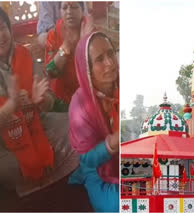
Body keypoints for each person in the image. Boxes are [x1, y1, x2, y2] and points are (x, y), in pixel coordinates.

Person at [0, 3, 78, 197]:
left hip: (34, 123)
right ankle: (33, 174)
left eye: (2, 27)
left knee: (77, 124)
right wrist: (10, 107)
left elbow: (47, 99)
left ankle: (56, 171)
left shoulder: (23, 54)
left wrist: (41, 101)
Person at [68, 32, 119, 212]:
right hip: (100, 172)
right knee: (120, 205)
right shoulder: (80, 105)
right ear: (86, 68)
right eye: (99, 59)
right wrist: (113, 142)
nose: (110, 63)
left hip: (132, 159)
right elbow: (88, 159)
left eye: (111, 54)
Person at [45, 2, 94, 108]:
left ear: (82, 10)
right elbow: (50, 73)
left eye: (74, 7)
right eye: (64, 7)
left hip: (88, 99)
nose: (69, 11)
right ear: (60, 11)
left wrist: (83, 44)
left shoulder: (92, 34)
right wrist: (66, 46)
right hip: (61, 101)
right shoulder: (53, 35)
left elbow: (95, 73)